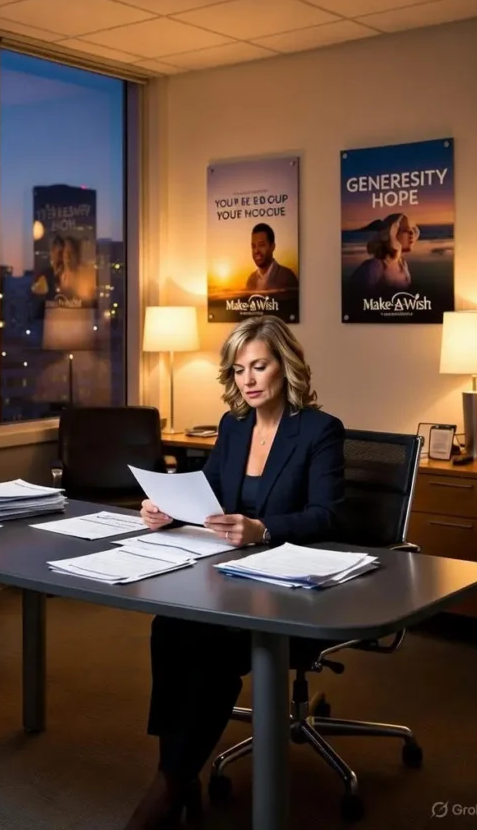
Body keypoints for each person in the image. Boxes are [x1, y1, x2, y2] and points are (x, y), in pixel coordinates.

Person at [124, 315, 344, 830]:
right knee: (169, 626)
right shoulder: (234, 425)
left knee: (209, 649)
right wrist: (165, 508)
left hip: (287, 586)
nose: (248, 379)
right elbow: (212, 490)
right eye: (240, 368)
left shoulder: (318, 430)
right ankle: (176, 770)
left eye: (259, 366)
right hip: (227, 578)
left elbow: (328, 514)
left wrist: (263, 529)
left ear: (284, 367)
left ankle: (171, 785)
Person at [350, 212, 419, 294]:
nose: (411, 233)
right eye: (404, 230)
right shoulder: (374, 266)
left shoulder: (402, 264)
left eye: (411, 230)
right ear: (391, 234)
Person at [246, 223, 298, 292]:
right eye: (253, 246)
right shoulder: (250, 280)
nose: (256, 251)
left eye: (261, 245)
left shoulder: (287, 277)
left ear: (272, 247)